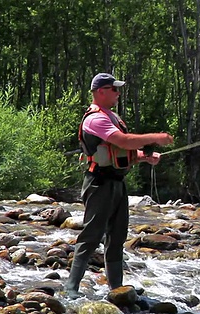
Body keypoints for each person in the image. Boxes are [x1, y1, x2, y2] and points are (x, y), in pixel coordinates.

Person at [64, 73, 174, 299]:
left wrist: (144, 157)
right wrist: (155, 137)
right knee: (92, 235)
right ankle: (71, 289)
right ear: (101, 91)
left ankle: (116, 289)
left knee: (117, 236)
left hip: (116, 184)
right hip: (99, 183)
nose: (118, 93)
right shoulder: (95, 119)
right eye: (114, 89)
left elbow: (121, 152)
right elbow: (123, 141)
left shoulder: (112, 117)